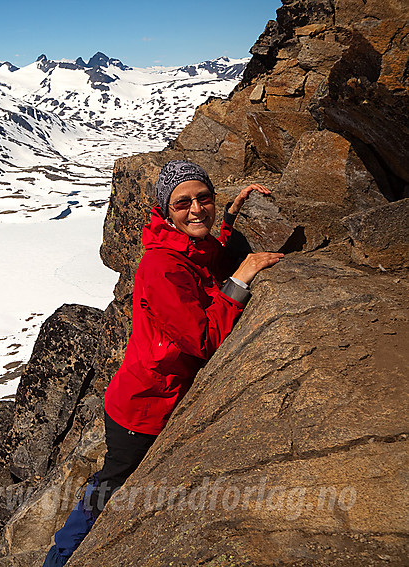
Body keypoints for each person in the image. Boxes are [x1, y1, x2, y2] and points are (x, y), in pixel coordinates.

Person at [42, 160, 283, 566]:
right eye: (182, 203)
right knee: (109, 491)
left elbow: (206, 260)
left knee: (112, 484)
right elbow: (205, 340)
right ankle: (59, 559)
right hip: (143, 408)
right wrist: (242, 277)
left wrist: (229, 216)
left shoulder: (181, 248)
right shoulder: (160, 267)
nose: (195, 210)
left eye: (202, 198)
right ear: (164, 211)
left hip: (151, 397)